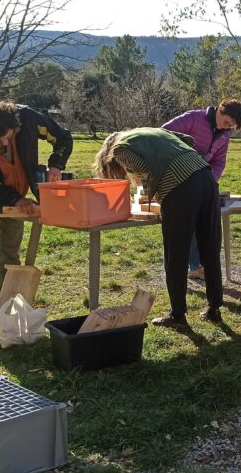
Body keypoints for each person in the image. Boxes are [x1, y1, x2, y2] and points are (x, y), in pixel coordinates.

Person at [0, 101, 73, 329]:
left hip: (19, 197)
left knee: (11, 254)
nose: (4, 143)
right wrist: (14, 199)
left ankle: (7, 306)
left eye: (9, 137)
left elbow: (63, 138)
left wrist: (56, 164)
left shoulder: (28, 118)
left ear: (15, 126)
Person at [93, 127, 223, 327]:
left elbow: (145, 170)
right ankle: (214, 308)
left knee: (176, 252)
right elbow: (188, 140)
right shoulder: (152, 132)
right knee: (210, 246)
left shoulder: (119, 149)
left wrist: (145, 188)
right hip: (205, 176)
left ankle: (177, 315)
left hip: (181, 187)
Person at [162, 99, 241, 279]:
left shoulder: (225, 135)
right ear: (221, 110)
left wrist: (211, 182)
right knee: (178, 226)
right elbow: (163, 134)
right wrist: (184, 152)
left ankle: (196, 266)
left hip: (200, 180)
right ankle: (176, 271)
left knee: (201, 222)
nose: (227, 127)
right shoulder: (194, 118)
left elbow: (219, 161)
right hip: (176, 176)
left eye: (231, 126)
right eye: (226, 122)